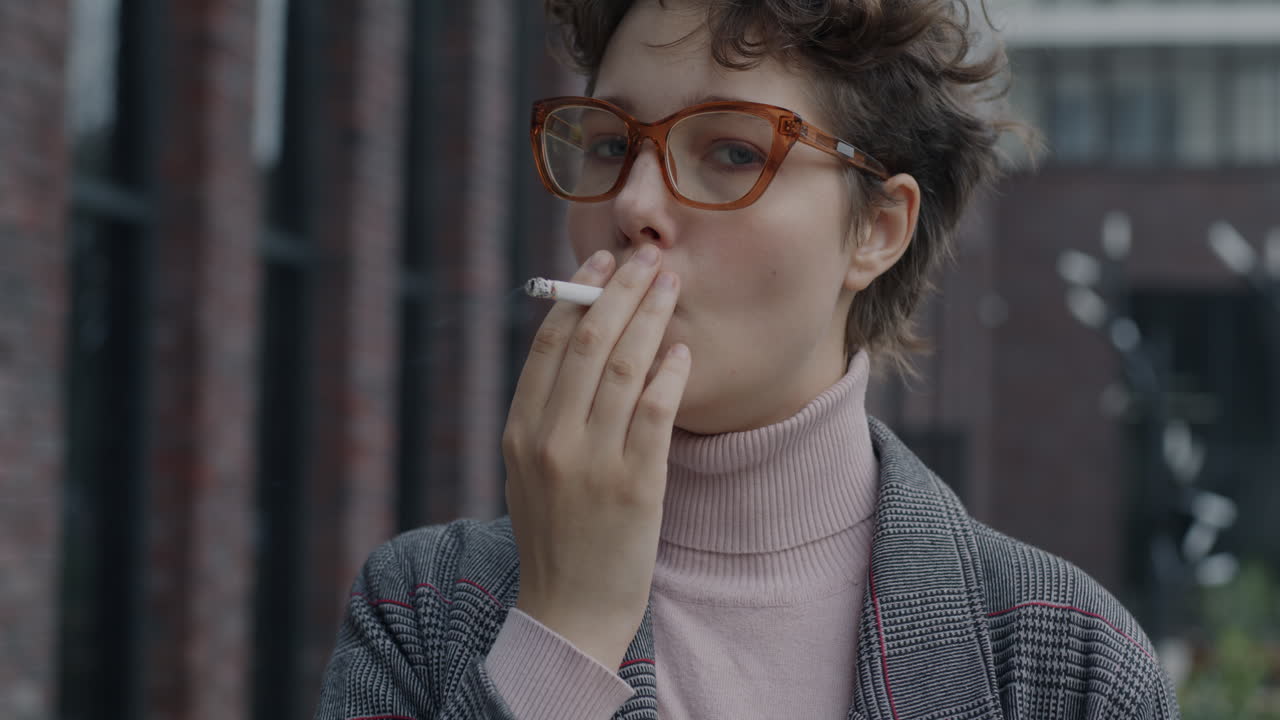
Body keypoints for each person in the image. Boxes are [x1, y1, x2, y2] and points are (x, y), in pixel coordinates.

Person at [316, 0, 1181, 718]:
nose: (634, 204)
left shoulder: (1069, 663)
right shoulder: (418, 609)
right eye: (612, 143)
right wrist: (564, 635)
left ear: (877, 228)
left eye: (732, 151)